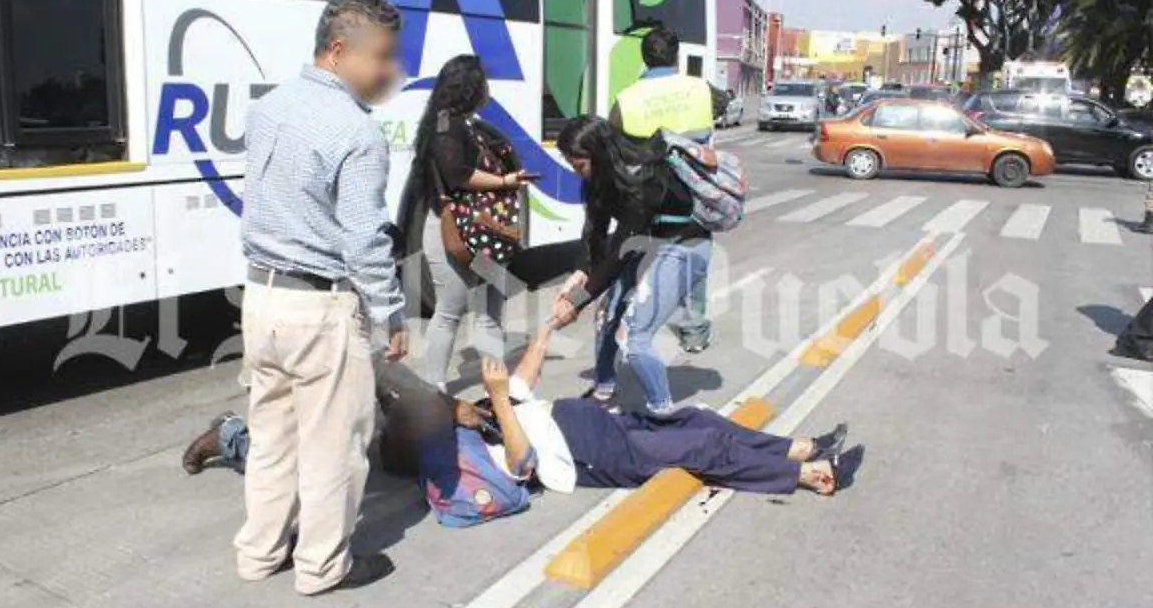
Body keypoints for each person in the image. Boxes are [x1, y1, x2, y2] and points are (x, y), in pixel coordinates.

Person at [182, 326, 857, 529]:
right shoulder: (487, 440)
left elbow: (525, 374)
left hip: (608, 429)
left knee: (703, 420)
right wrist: (498, 401)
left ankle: (796, 448)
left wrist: (546, 330)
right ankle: (803, 472)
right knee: (338, 443)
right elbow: (528, 464)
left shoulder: (485, 416)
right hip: (607, 453)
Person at [236, 0, 405, 596]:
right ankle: (321, 567)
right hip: (320, 306)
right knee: (334, 446)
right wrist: (390, 312)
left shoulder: (268, 107)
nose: (390, 72)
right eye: (383, 57)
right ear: (339, 50)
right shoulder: (357, 133)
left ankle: (259, 552)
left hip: (260, 299)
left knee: (272, 437)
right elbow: (364, 240)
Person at [550, 116, 712, 416]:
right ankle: (604, 393)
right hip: (645, 245)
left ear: (598, 155)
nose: (578, 174)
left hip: (683, 246)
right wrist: (580, 272)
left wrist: (577, 301)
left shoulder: (645, 177)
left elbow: (621, 250)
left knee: (634, 335)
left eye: (579, 166)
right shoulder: (599, 179)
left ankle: (662, 414)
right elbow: (595, 231)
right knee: (606, 317)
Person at [411, 55, 533, 390]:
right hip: (454, 231)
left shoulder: (463, 124)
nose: (488, 89)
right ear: (470, 87)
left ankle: (496, 389)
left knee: (491, 309)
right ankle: (433, 390)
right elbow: (457, 174)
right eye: (484, 82)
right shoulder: (446, 124)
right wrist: (506, 181)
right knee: (451, 309)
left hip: (483, 233)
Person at [599, 27, 720, 359]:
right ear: (676, 56)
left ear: (644, 57)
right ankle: (693, 332)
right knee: (695, 257)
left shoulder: (626, 99)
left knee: (638, 264)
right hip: (693, 196)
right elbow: (721, 109)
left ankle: (620, 324)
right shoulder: (700, 90)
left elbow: (615, 149)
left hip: (647, 201)